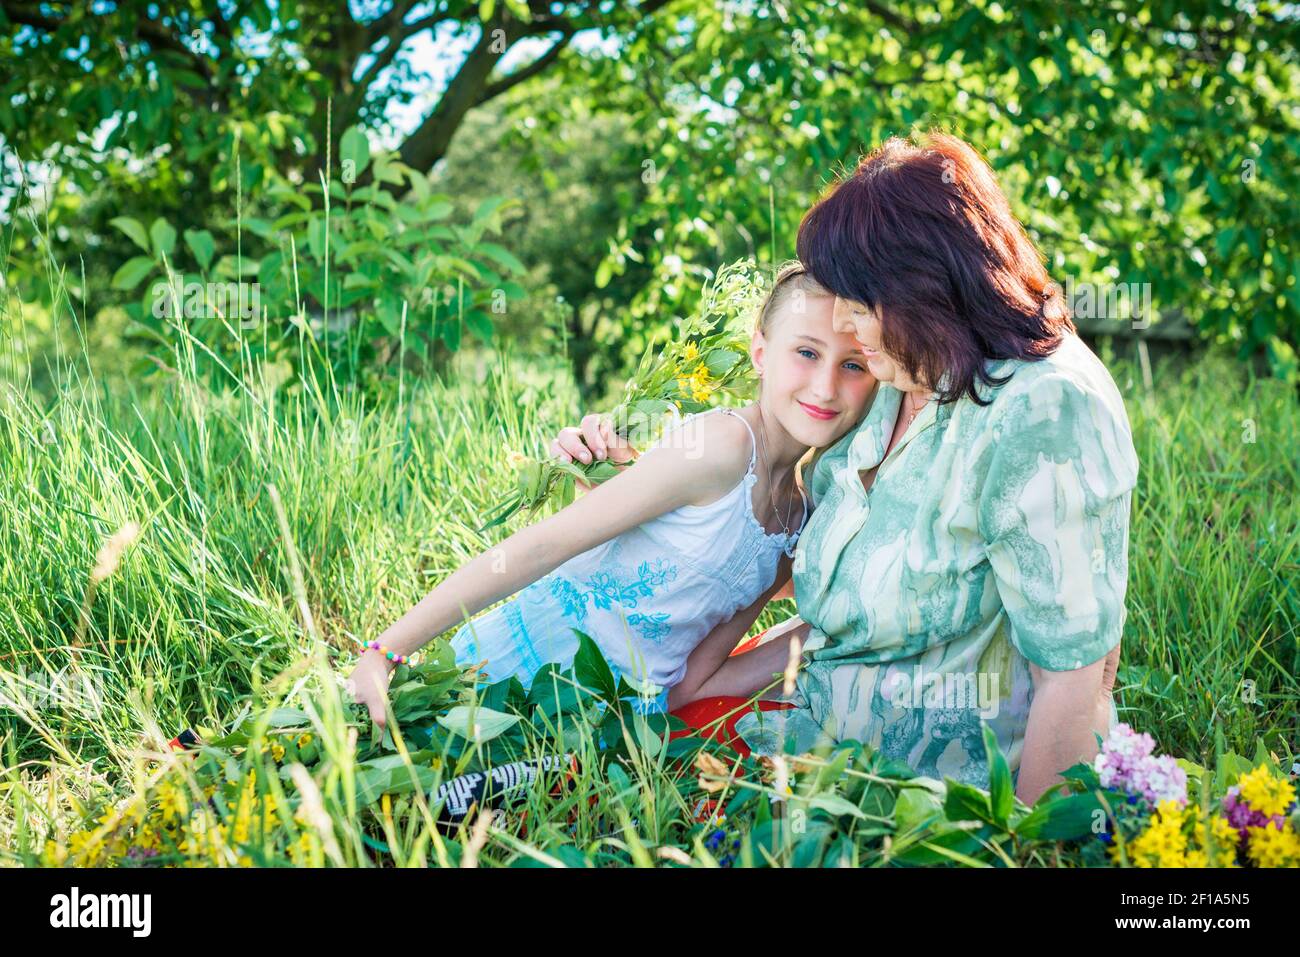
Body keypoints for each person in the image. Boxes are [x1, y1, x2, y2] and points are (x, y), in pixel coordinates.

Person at [551, 132, 1138, 803]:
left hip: (919, 790)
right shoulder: (905, 371)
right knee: (578, 753)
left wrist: (1026, 847)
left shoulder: (1044, 406)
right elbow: (823, 569)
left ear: (922, 286)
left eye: (858, 304)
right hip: (806, 719)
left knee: (606, 793)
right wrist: (650, 489)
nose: (846, 328)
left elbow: (1076, 672)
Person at [346, 263, 878, 728]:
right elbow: (542, 547)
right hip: (508, 672)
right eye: (806, 352)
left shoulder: (794, 528)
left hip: (599, 733)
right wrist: (386, 651)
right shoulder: (720, 447)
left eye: (852, 365)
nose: (826, 386)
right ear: (761, 351)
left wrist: (828, 635)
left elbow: (692, 686)